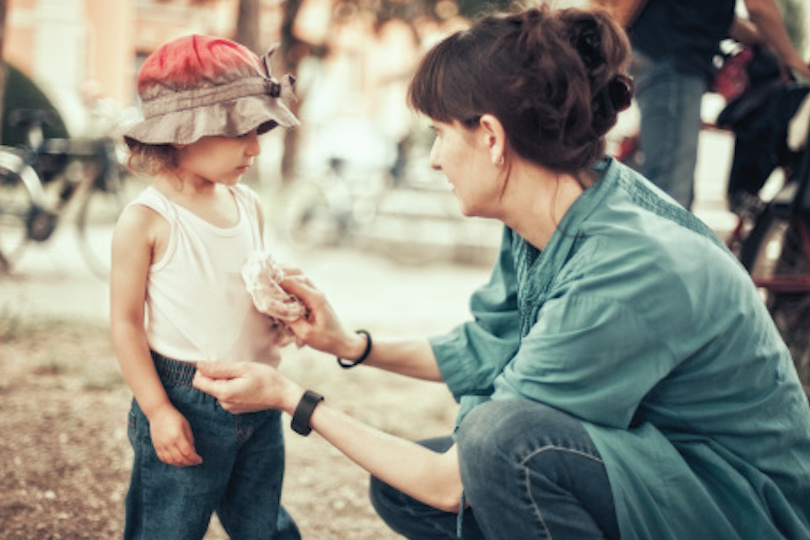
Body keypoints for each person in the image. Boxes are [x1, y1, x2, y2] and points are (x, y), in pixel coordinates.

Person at [193, 5, 810, 540]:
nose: (434, 160)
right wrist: (349, 344)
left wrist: (289, 398)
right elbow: (484, 350)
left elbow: (450, 479)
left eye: (438, 134)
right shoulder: (554, 210)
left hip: (744, 509)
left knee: (497, 445)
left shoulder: (630, 264)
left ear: (489, 136)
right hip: (667, 468)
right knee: (403, 483)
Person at [110, 34, 301, 540]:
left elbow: (247, 288)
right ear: (181, 132)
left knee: (263, 523)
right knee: (169, 524)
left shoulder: (248, 205)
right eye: (240, 131)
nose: (256, 148)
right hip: (185, 399)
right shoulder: (146, 219)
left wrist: (280, 311)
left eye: (259, 129)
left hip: (258, 397)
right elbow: (125, 323)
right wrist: (158, 411)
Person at [596, 0, 810, 210]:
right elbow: (759, 5)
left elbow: (707, 13)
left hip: (664, 54)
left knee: (663, 185)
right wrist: (790, 56)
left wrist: (762, 38)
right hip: (671, 58)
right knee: (670, 196)